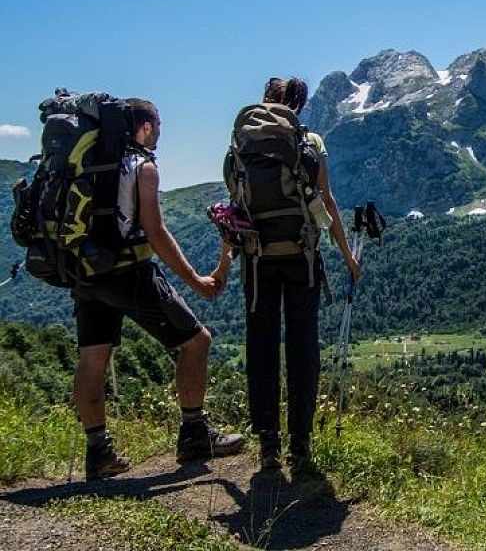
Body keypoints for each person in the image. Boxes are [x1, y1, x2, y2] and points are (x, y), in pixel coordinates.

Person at [75, 98, 245, 481]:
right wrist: (196, 281)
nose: (160, 135)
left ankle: (98, 451)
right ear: (146, 127)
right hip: (129, 273)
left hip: (86, 273)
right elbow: (155, 231)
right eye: (159, 126)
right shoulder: (142, 167)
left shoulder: (90, 164)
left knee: (92, 358)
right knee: (197, 341)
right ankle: (194, 434)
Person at [234, 77, 360, 470]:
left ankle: (267, 443)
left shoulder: (241, 141)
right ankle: (300, 443)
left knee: (262, 345)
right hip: (301, 257)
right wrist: (346, 255)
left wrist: (225, 263)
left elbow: (235, 209)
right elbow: (327, 200)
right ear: (299, 106)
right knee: (303, 347)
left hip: (256, 259)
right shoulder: (310, 143)